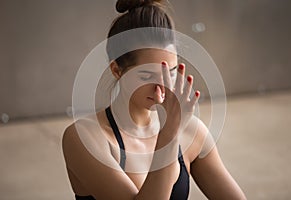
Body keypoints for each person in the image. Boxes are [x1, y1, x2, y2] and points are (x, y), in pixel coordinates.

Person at [62, 0, 246, 199]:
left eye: (170, 73)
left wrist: (174, 128)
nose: (161, 90)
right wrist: (169, 133)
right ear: (117, 70)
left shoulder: (192, 131)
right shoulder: (84, 138)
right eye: (146, 76)